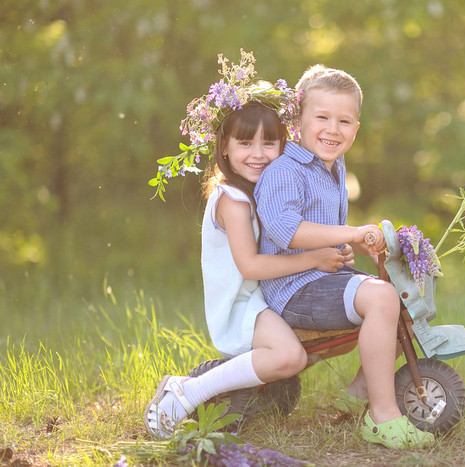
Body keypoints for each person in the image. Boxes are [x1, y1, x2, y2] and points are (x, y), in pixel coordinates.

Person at [144, 57, 352, 438]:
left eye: (269, 143)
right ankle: (187, 391)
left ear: (282, 144)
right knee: (289, 356)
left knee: (326, 331)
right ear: (224, 145)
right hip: (241, 304)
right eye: (245, 143)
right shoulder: (233, 202)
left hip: (266, 295)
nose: (258, 154)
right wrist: (314, 258)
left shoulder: (260, 190)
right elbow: (251, 266)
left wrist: (333, 255)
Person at [254, 65, 436, 449]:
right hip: (291, 290)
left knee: (395, 295)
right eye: (321, 117)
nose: (332, 130)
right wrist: (353, 233)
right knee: (382, 298)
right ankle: (382, 416)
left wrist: (347, 248)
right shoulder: (285, 170)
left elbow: (322, 230)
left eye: (344, 121)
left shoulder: (334, 168)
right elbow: (286, 230)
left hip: (320, 280)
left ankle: (356, 394)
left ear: (356, 129)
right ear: (297, 120)